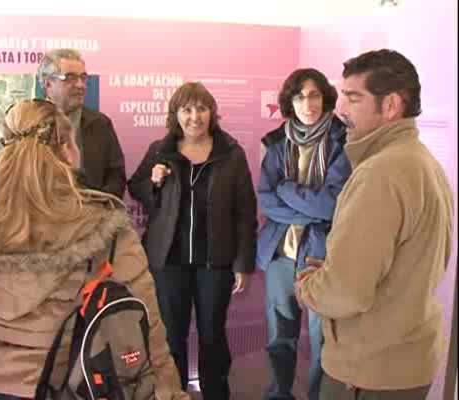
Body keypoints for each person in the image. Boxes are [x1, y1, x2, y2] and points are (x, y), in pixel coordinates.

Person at [0, 99, 189, 400]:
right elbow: (145, 325)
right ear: (67, 152)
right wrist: (170, 391)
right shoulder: (104, 227)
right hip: (58, 385)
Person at [295, 49, 454, 400]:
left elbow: (345, 293)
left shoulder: (380, 173)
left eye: (354, 98)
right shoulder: (421, 162)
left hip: (368, 373)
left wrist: (310, 285)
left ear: (392, 105)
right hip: (402, 364)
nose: (341, 110)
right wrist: (337, 271)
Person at [128, 82, 258, 400]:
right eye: (187, 109)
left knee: (212, 335)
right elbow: (136, 187)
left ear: (212, 113)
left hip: (215, 262)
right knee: (172, 336)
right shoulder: (161, 150)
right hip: (168, 262)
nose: (194, 116)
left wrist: (244, 263)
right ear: (176, 114)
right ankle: (174, 394)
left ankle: (216, 393)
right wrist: (154, 183)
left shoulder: (231, 153)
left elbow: (245, 211)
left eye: (201, 108)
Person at [257, 68, 351, 400]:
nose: (307, 103)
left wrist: (286, 188)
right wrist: (305, 207)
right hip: (282, 253)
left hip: (322, 256)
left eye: (313, 95)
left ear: (325, 97)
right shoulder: (277, 142)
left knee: (322, 339)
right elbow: (266, 200)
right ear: (290, 102)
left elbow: (331, 205)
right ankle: (279, 394)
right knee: (279, 337)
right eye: (299, 96)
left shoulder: (343, 140)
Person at [37, 48, 126, 198]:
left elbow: (116, 178)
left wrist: (97, 207)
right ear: (48, 84)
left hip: (91, 216)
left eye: (83, 78)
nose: (80, 85)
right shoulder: (26, 123)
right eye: (70, 78)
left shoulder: (100, 124)